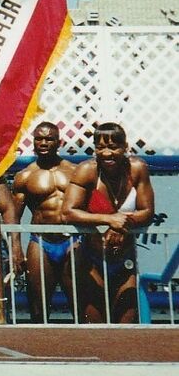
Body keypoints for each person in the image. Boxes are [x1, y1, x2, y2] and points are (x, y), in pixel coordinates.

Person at [63, 122, 155, 324]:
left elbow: (148, 211)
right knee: (96, 330)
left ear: (125, 147)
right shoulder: (86, 170)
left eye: (113, 147)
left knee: (127, 326)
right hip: (92, 260)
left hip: (124, 259)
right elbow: (68, 212)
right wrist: (108, 219)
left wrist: (123, 222)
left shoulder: (137, 169)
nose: (107, 153)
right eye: (100, 147)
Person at [2, 121, 83, 322]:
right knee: (38, 309)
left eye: (49, 139)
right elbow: (14, 216)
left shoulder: (75, 171)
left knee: (81, 305)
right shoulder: (25, 176)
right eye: (39, 138)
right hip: (41, 242)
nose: (44, 143)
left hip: (73, 241)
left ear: (59, 142)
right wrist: (15, 249)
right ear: (34, 142)